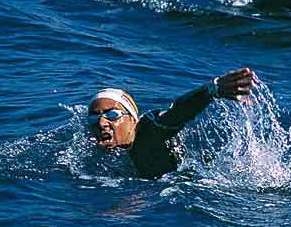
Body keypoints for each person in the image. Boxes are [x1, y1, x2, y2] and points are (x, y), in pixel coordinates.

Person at [87, 67, 256, 179]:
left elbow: (177, 113)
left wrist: (212, 90)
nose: (101, 123)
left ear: (132, 119)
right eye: (94, 117)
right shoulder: (100, 149)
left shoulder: (149, 129)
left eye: (113, 114)